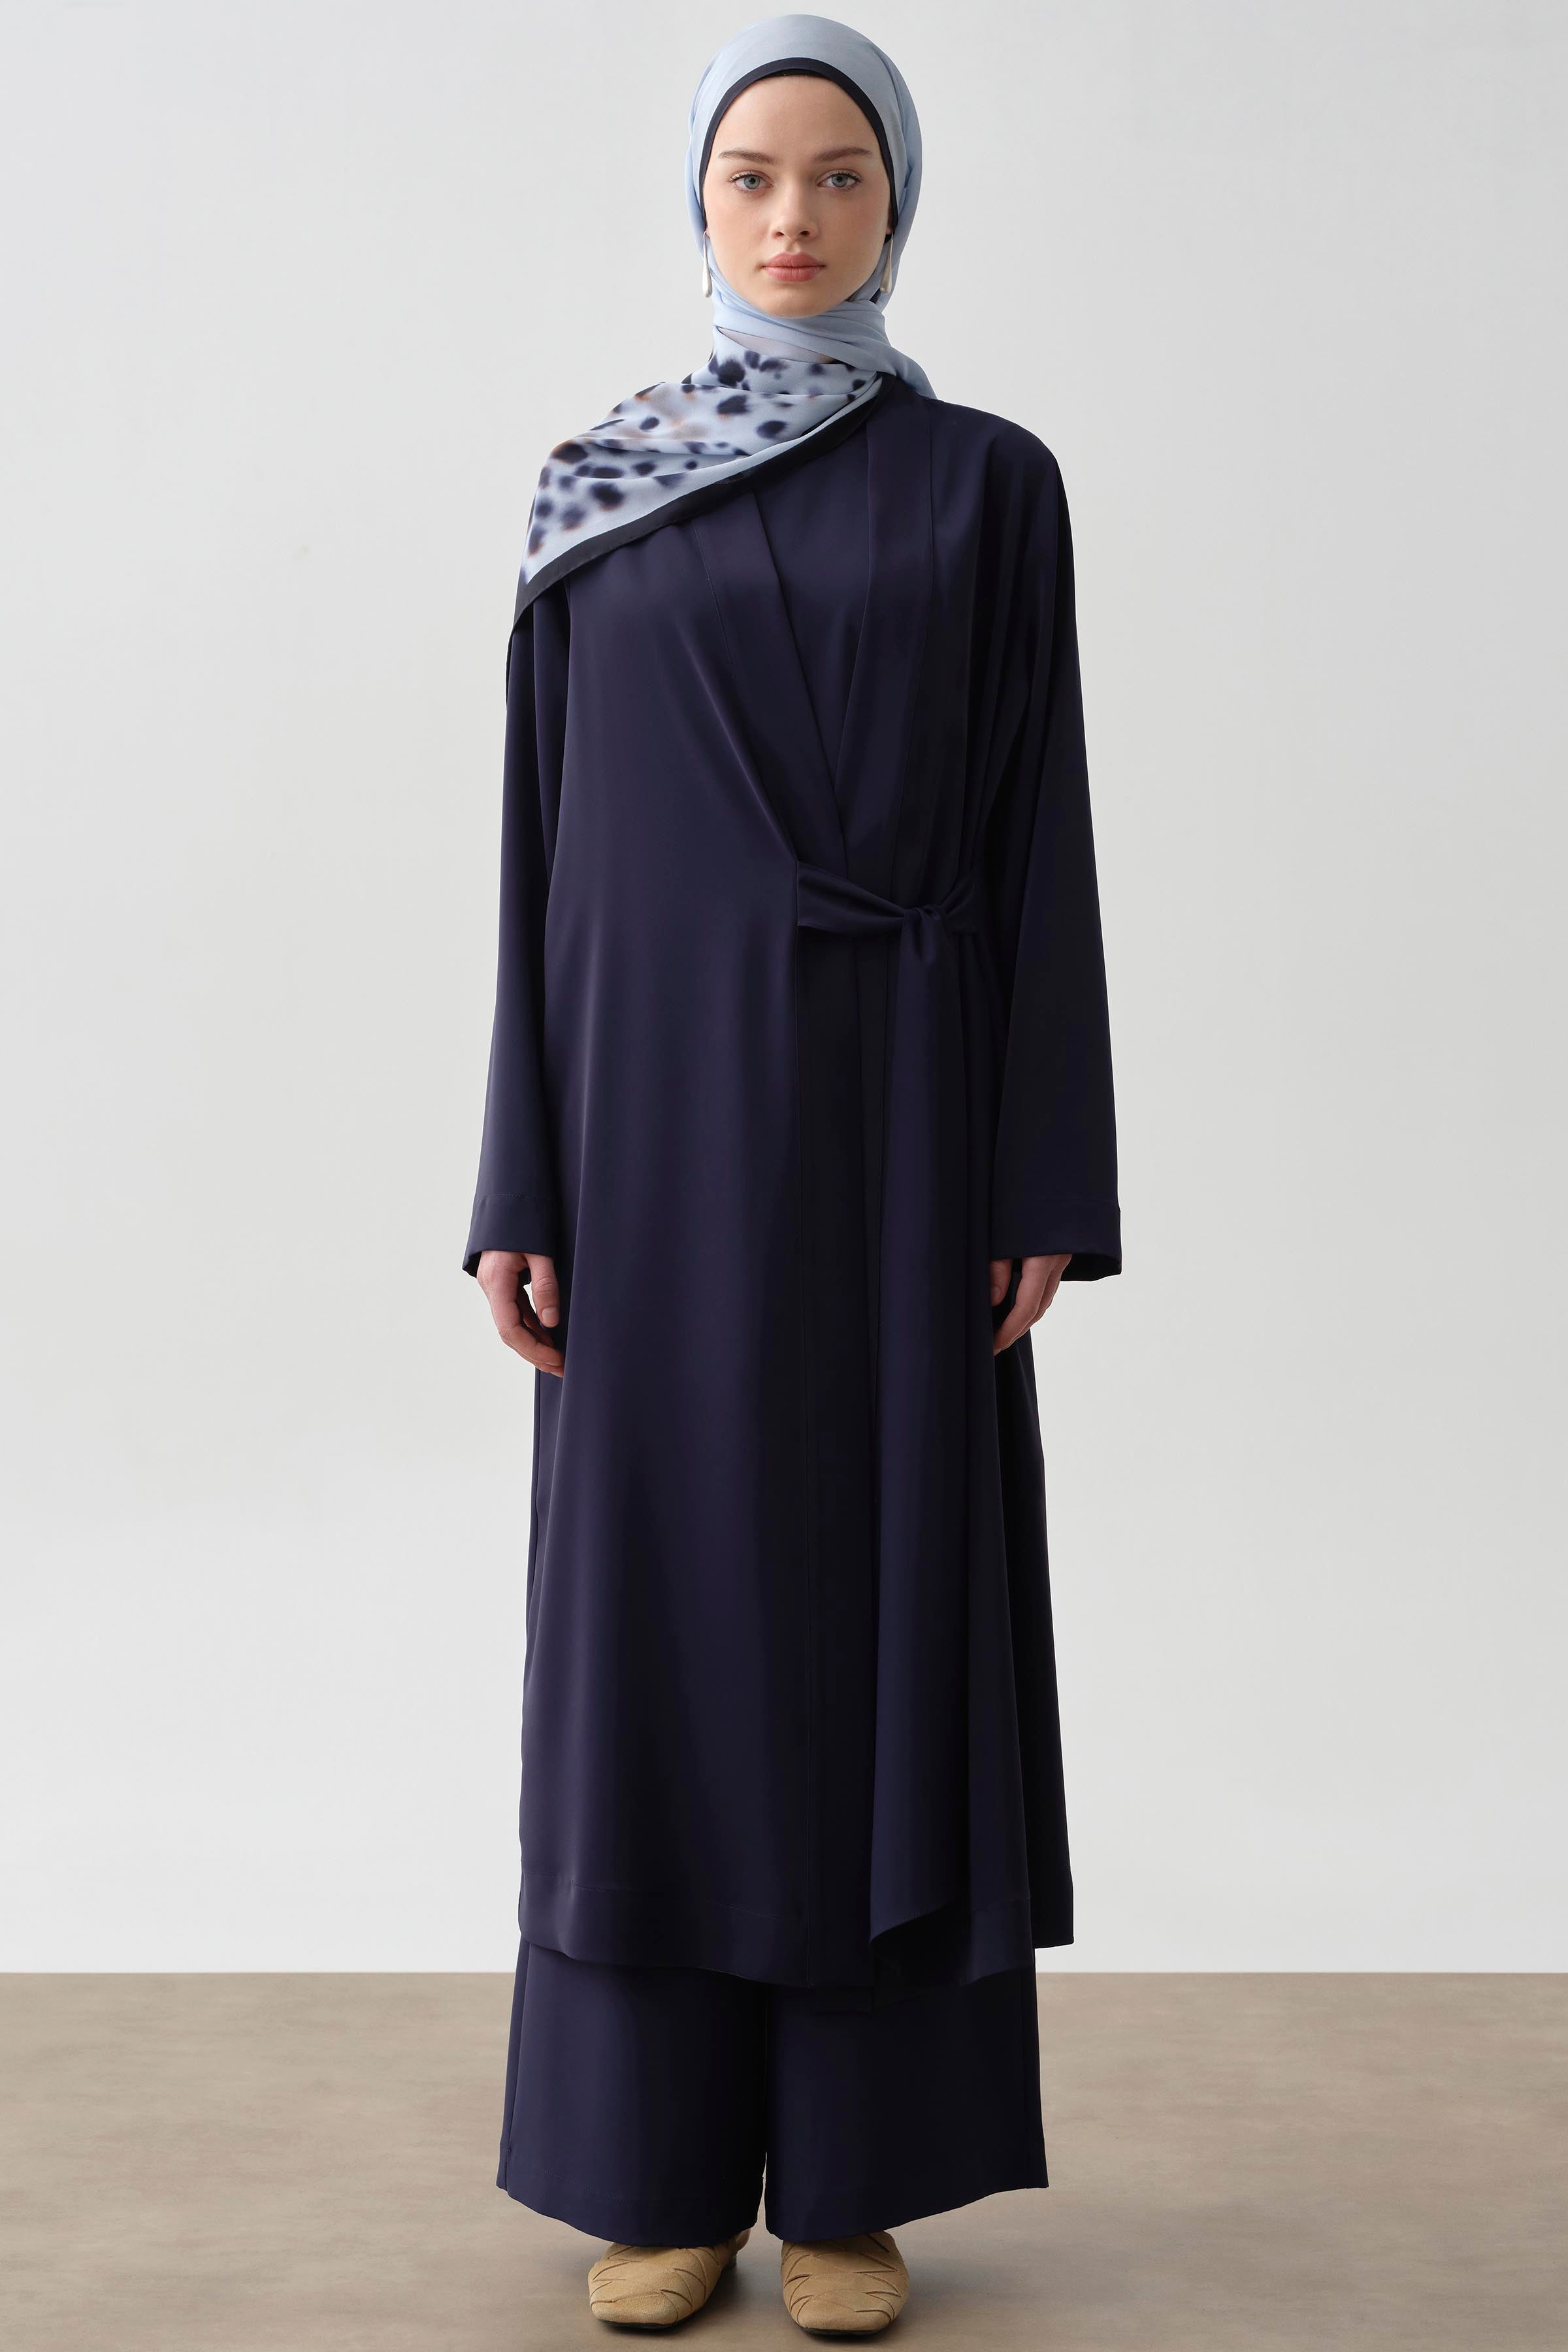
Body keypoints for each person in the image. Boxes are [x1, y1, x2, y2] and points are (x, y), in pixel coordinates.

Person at [463, 14, 1120, 2334]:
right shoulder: (597, 485)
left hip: (899, 1132)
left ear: (896, 202)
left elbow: (1038, 835)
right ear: (700, 199)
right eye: (754, 174)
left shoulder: (987, 486)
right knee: (654, 1644)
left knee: (871, 1628)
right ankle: (652, 2174)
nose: (795, 216)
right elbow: (539, 857)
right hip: (643, 1146)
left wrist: (1038, 1170)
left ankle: (853, 2180)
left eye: (842, 174)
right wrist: (519, 1175)